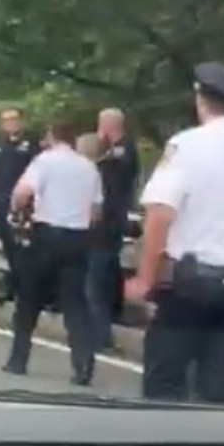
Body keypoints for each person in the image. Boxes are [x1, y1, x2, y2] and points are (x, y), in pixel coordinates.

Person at [125, 62, 224, 404]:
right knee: (221, 389)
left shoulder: (186, 146)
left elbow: (160, 216)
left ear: (200, 98)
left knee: (165, 385)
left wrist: (145, 279)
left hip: (189, 285)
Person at [4, 122, 103, 386]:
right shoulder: (89, 167)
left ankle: (18, 359)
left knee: (29, 298)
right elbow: (96, 212)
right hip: (78, 239)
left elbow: (22, 193)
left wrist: (18, 213)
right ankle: (83, 364)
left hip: (46, 235)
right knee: (75, 304)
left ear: (52, 137)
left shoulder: (44, 161)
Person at [86, 109, 140, 353]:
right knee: (106, 280)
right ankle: (104, 329)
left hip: (106, 225)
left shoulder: (122, 152)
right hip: (111, 224)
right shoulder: (115, 153)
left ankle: (100, 336)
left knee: (95, 283)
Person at [0, 108, 39, 305]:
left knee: (23, 246)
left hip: (24, 204)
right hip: (3, 201)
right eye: (6, 120)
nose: (11, 123)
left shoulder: (30, 146)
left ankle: (26, 289)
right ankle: (13, 287)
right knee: (8, 245)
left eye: (14, 119)